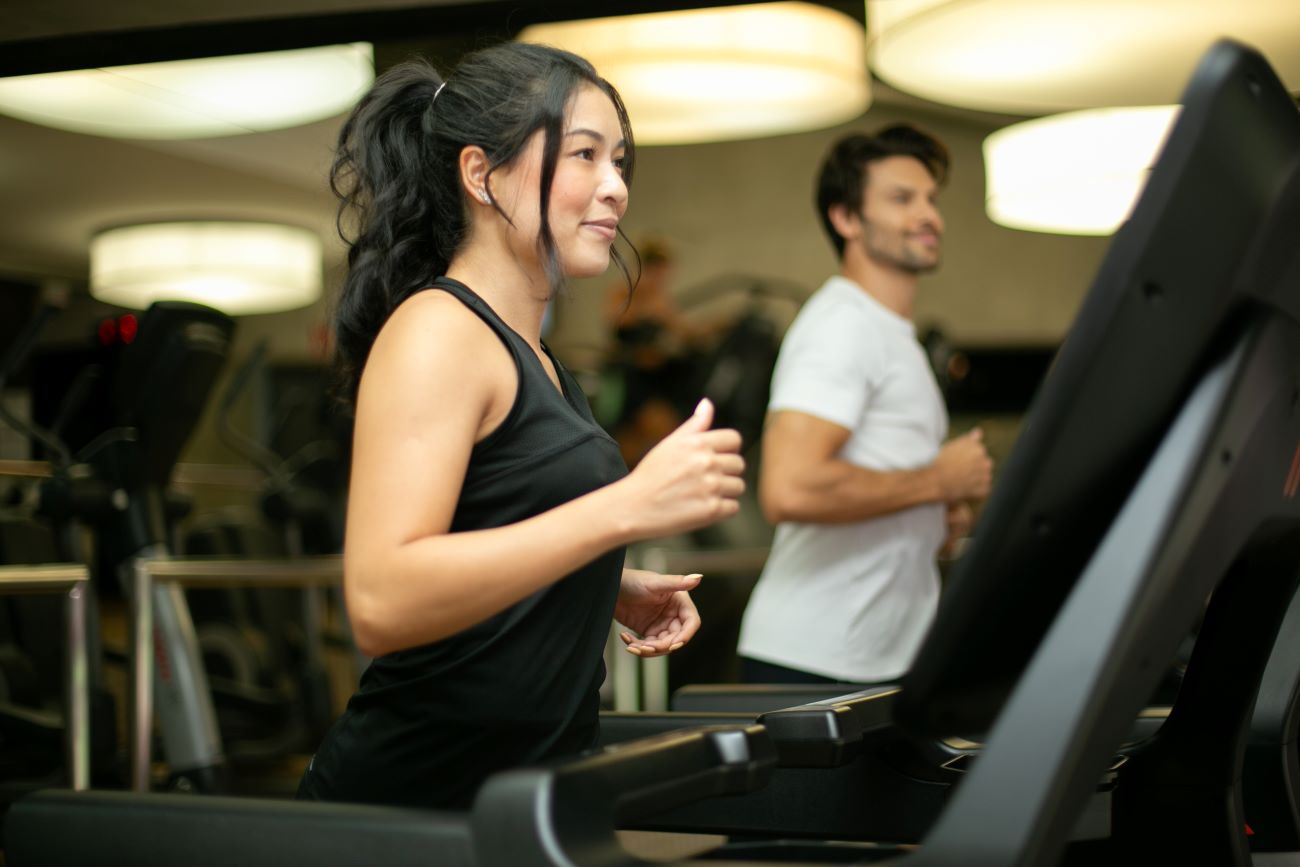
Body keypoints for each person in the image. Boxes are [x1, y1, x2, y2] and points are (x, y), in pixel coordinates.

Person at [296, 42, 745, 810]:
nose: (615, 188)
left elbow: (491, 520)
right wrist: (622, 511)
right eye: (584, 155)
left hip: (518, 801)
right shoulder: (439, 330)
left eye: (620, 161)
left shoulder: (537, 356)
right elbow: (381, 599)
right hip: (411, 805)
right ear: (481, 174)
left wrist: (602, 583)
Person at [736, 124, 992, 685]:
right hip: (813, 661)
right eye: (902, 199)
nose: (929, 215)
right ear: (846, 218)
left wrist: (931, 517)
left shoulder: (890, 333)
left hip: (874, 657)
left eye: (930, 199)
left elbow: (877, 479)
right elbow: (790, 488)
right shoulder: (842, 326)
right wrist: (936, 483)